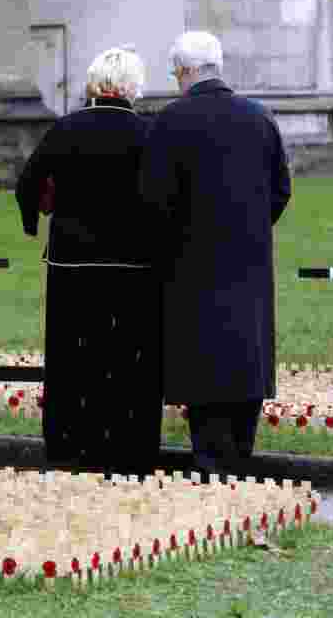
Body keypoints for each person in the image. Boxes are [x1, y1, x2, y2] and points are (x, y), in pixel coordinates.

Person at [138, 31, 292, 478]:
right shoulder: (260, 118)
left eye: (174, 73)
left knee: (202, 367)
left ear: (185, 72)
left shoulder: (169, 122)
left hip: (191, 266)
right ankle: (239, 458)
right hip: (249, 262)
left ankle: (211, 466)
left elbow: (153, 201)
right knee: (245, 360)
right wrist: (249, 229)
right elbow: (281, 191)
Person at [15, 45, 164, 477]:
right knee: (131, 359)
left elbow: (28, 183)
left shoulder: (66, 127)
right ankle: (130, 449)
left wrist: (36, 220)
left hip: (73, 263)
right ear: (133, 88)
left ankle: (69, 446)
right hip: (134, 264)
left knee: (71, 358)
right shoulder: (148, 132)